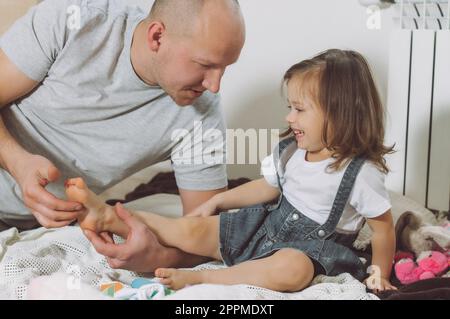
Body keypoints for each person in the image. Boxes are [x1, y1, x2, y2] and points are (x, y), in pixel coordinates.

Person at [65, 49, 398, 292]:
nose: (289, 118)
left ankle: (205, 277)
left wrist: (380, 273)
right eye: (289, 108)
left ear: (340, 115)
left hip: (310, 250)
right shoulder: (293, 152)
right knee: (191, 229)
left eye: (299, 109)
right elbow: (268, 187)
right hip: (265, 227)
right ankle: (109, 215)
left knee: (292, 269)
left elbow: (382, 230)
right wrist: (217, 203)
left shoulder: (360, 173)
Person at [0, 0, 245, 271]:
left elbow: (210, 232)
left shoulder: (201, 115)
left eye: (225, 67)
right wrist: (18, 163)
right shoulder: (73, 22)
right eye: (204, 64)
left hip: (29, 227)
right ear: (157, 36)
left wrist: (161, 258)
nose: (214, 85)